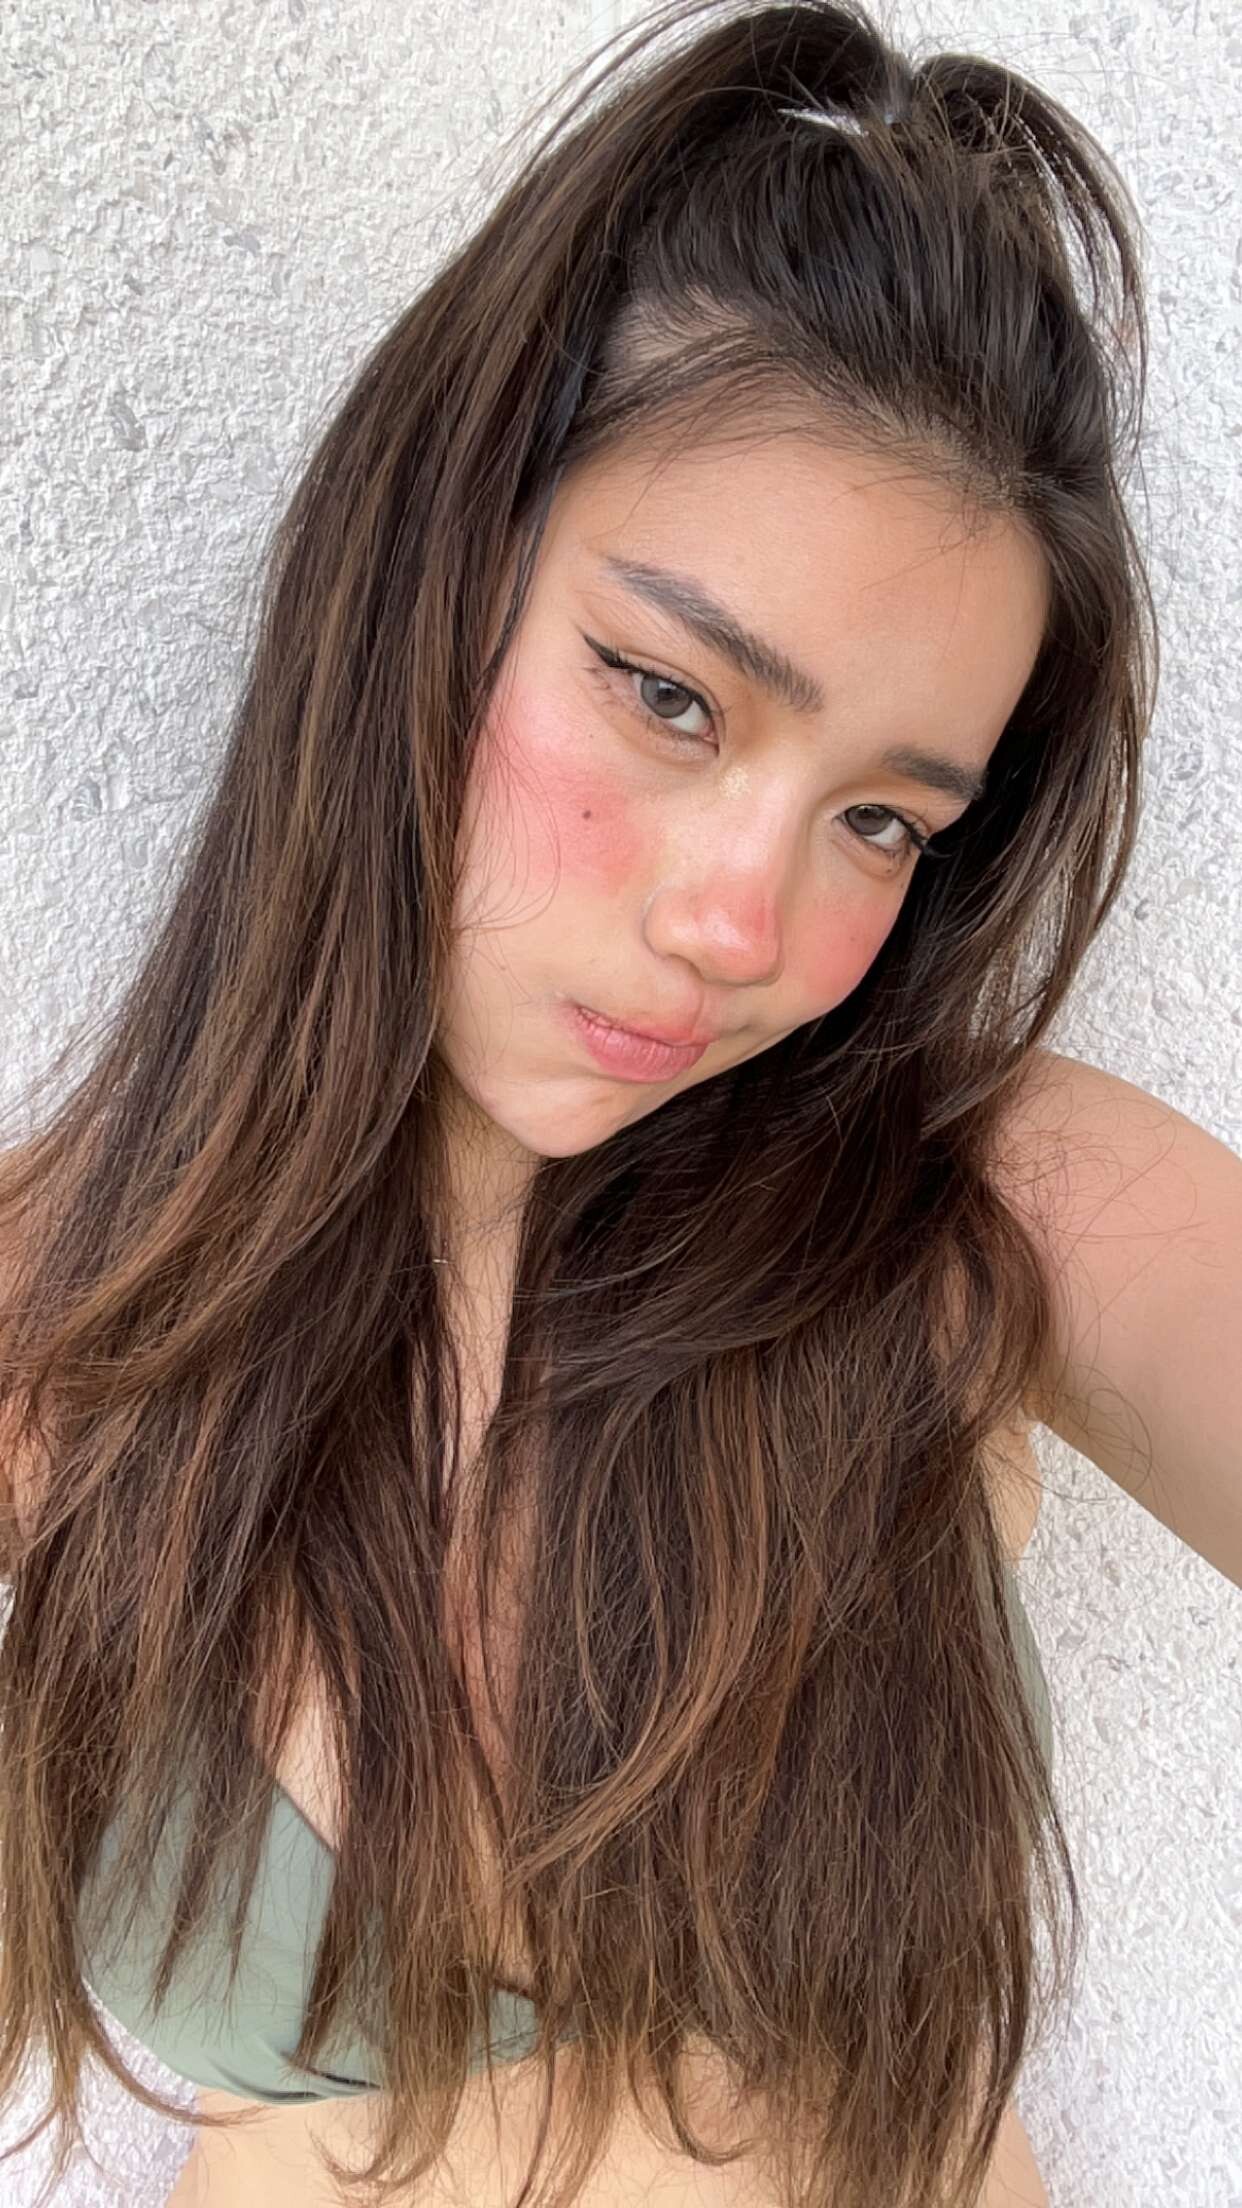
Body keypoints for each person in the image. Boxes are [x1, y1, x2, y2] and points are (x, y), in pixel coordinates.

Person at [1, 1, 1239, 2203]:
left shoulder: (980, 1207)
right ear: (436, 570)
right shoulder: (55, 1315)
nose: (742, 924)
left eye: (882, 818)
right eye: (669, 694)